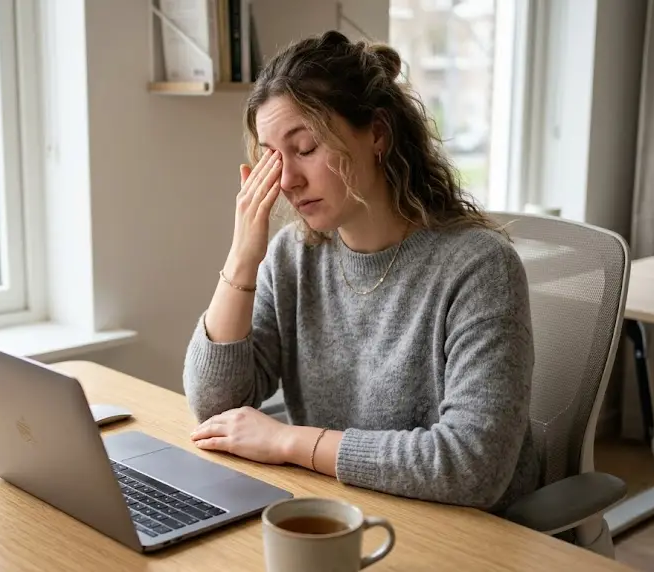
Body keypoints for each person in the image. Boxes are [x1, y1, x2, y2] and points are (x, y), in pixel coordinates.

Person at [182, 30, 539, 513]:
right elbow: (215, 405)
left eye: (305, 147)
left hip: (462, 530)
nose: (287, 180)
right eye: (271, 157)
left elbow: (471, 466)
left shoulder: (478, 266)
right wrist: (242, 257)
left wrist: (290, 442)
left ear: (377, 134)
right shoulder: (292, 256)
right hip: (342, 508)